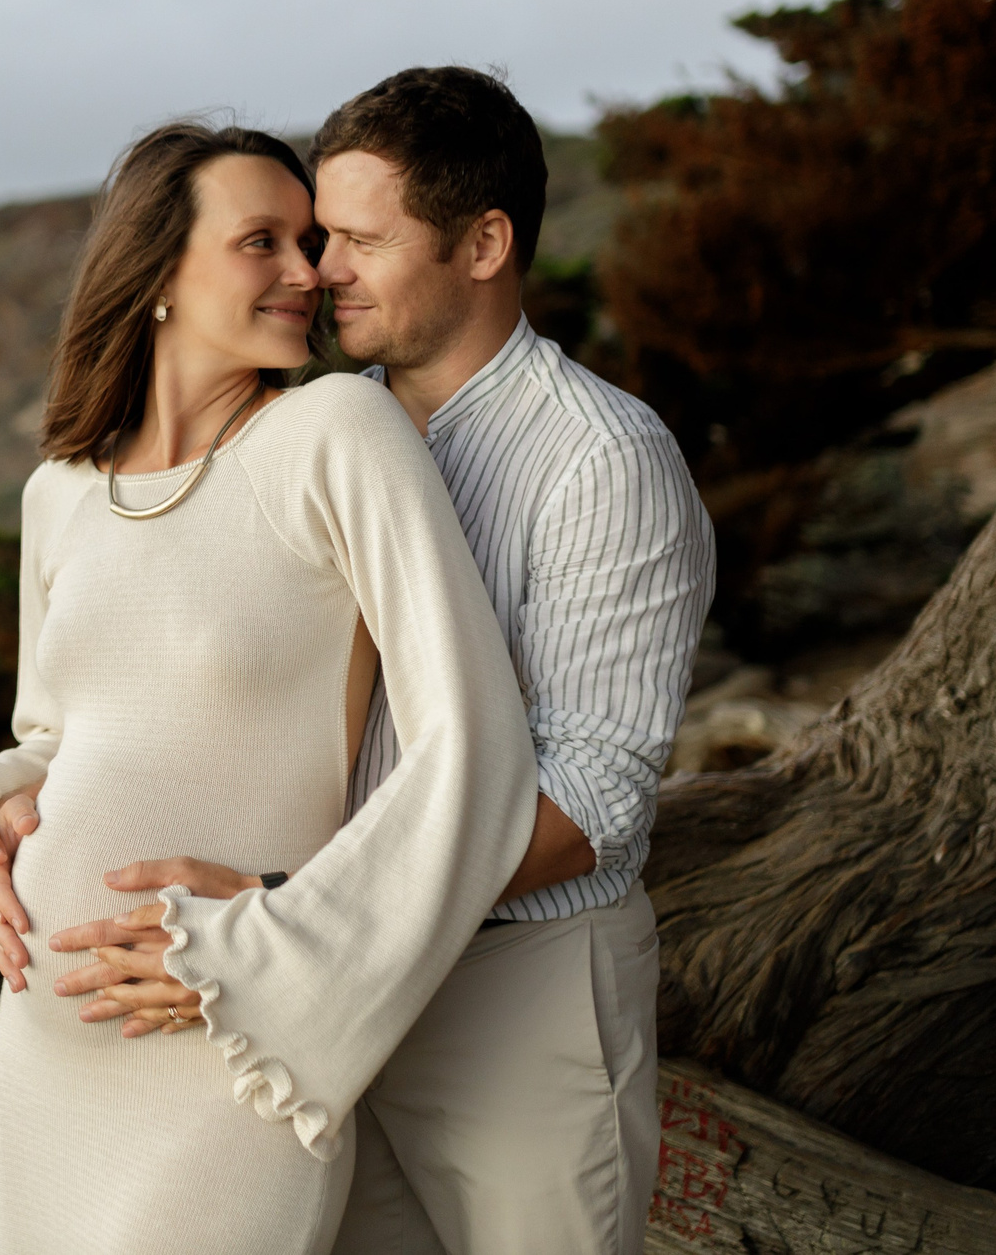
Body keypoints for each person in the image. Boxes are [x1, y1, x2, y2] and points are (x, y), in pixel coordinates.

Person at [45, 68, 715, 1255]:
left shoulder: (601, 460)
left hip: (514, 997)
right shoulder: (307, 434)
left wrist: (295, 916)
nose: (322, 272)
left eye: (361, 240)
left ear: (483, 245)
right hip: (304, 998)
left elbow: (593, 798)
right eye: (314, 238)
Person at [0, 119, 539, 1255]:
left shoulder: (336, 433)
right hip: (45, 1056)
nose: (309, 273)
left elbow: (474, 745)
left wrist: (277, 949)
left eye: (310, 241)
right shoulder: (62, 492)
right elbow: (61, 733)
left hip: (231, 1055)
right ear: (156, 270)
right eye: (262, 242)